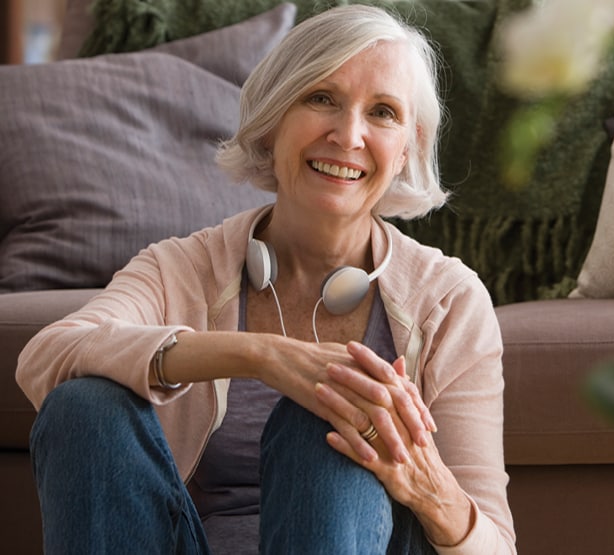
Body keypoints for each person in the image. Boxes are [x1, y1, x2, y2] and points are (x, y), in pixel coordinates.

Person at [17, 4, 516, 554]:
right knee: (84, 407)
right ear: (274, 118)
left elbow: (495, 545)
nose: (348, 135)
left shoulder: (447, 300)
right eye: (321, 98)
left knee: (329, 412)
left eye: (382, 113)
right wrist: (260, 355)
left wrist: (426, 485)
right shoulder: (182, 268)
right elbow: (49, 355)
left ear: (406, 150)